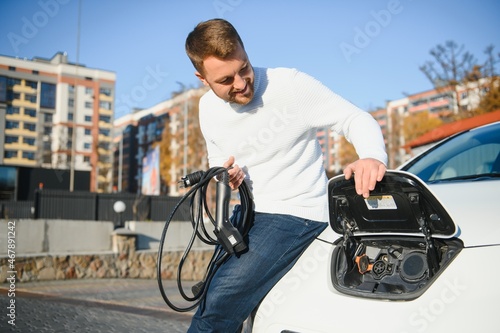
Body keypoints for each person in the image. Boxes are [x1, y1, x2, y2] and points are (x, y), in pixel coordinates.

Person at [185, 18, 387, 332]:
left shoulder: (289, 85)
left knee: (219, 304)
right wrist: (227, 175)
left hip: (295, 212)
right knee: (217, 300)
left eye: (244, 68)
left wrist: (372, 156)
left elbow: (355, 118)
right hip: (247, 214)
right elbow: (218, 162)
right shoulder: (207, 109)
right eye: (226, 79)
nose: (240, 83)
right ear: (202, 78)